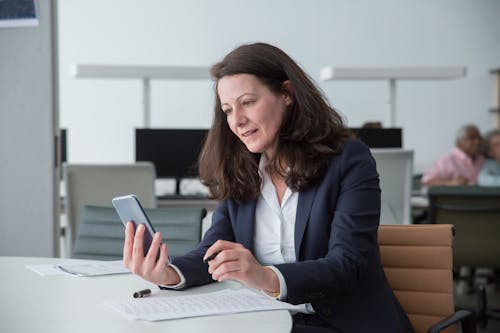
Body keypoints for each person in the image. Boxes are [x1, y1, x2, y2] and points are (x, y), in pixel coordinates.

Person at [123, 42, 414, 333]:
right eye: (227, 110)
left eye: (247, 102)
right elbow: (212, 253)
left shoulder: (348, 160)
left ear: (286, 94)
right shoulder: (242, 171)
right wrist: (169, 273)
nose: (237, 121)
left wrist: (265, 277)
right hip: (269, 321)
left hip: (342, 323)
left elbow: (347, 265)